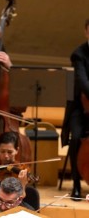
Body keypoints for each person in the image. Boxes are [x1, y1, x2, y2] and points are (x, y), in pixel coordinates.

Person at [61, 18, 89, 201]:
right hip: (81, 107)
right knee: (77, 137)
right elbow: (82, 82)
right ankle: (76, 184)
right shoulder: (78, 54)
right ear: (86, 32)